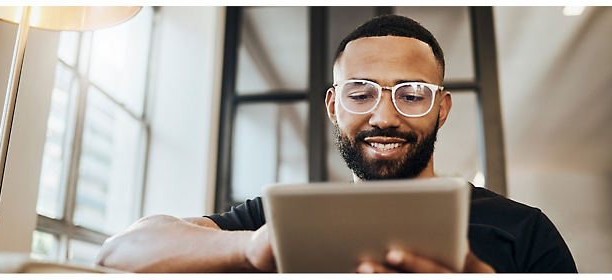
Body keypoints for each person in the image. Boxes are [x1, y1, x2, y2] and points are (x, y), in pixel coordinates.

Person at [95, 14, 577, 273]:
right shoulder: (274, 222)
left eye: (411, 94)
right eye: (360, 92)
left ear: (442, 108)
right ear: (332, 105)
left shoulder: (525, 233)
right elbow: (120, 253)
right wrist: (250, 249)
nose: (384, 116)